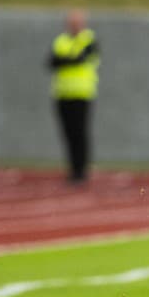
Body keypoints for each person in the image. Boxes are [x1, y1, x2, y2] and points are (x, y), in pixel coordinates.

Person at [47, 10, 100, 184]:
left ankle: (81, 170)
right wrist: (71, 59)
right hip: (62, 94)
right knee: (68, 134)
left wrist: (66, 60)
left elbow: (81, 58)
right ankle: (72, 169)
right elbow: (52, 62)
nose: (74, 26)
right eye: (72, 22)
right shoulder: (60, 41)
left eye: (77, 22)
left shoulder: (89, 40)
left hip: (82, 94)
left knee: (80, 133)